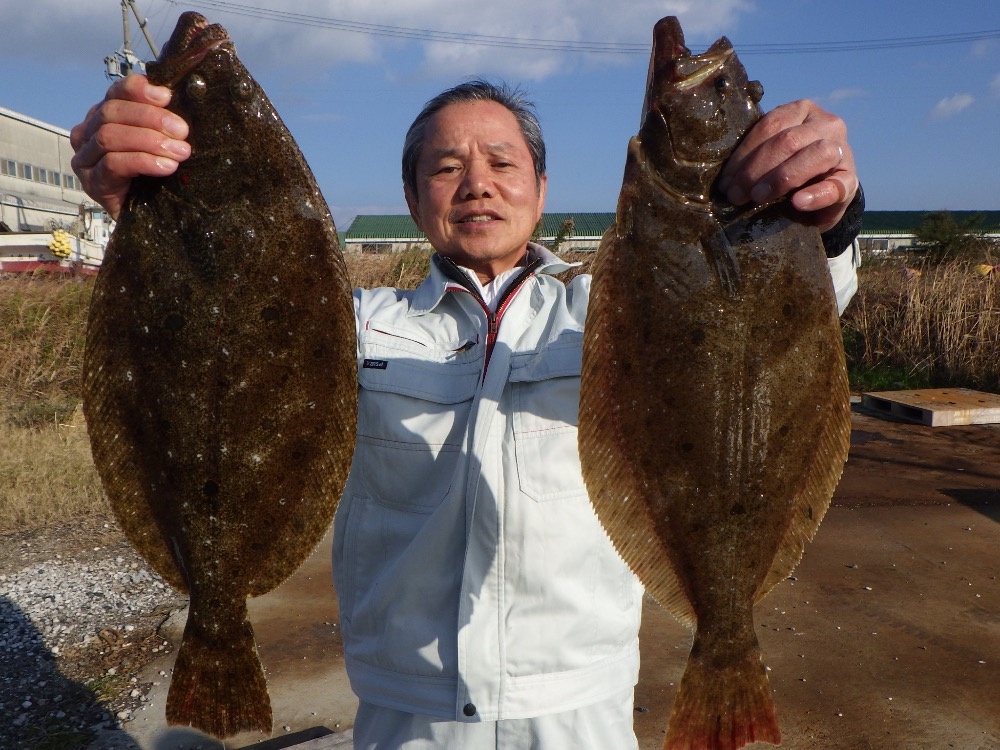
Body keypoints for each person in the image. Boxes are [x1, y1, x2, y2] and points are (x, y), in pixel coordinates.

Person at [71, 74, 862, 749]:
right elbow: (213, 336)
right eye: (446, 168)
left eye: (502, 163)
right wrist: (152, 215)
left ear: (541, 190)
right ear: (414, 201)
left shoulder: (622, 310)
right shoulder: (344, 325)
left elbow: (780, 316)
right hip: (405, 720)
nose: (477, 183)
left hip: (580, 717)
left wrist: (823, 217)